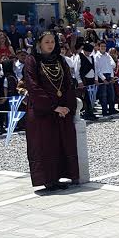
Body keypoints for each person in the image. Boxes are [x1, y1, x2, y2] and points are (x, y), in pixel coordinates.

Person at [23, 32, 79, 192]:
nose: (50, 45)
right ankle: (48, 180)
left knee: (62, 143)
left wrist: (67, 106)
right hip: (43, 112)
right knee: (45, 145)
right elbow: (33, 86)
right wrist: (53, 107)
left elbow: (68, 83)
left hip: (62, 111)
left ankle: (60, 176)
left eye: (53, 42)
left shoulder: (60, 60)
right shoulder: (32, 61)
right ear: (39, 44)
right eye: (47, 42)